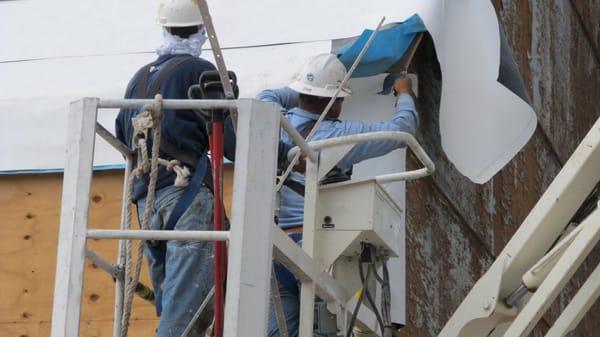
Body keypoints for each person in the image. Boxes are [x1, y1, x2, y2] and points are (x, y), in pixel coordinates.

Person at [257, 53, 419, 337]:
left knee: (280, 332)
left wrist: (306, 93)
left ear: (300, 93)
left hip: (276, 249)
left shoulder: (274, 120)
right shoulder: (341, 137)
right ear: (336, 103)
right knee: (321, 328)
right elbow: (401, 130)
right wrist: (404, 93)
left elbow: (267, 95)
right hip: (317, 248)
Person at [115, 1, 216, 336]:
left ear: (164, 29)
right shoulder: (200, 70)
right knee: (184, 310)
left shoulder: (138, 78)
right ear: (201, 30)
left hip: (147, 203)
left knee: (171, 304)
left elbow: (122, 133)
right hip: (184, 196)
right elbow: (228, 139)